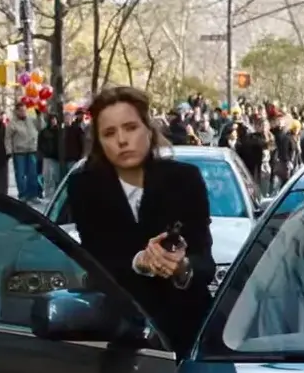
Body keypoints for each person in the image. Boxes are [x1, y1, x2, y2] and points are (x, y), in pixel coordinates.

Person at [66, 86, 215, 357]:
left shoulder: (185, 179)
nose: (122, 140)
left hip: (190, 336)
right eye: (109, 133)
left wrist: (181, 267)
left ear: (148, 129)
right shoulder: (84, 187)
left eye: (130, 127)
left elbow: (205, 261)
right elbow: (97, 262)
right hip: (120, 345)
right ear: (99, 143)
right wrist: (141, 261)